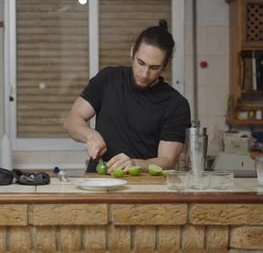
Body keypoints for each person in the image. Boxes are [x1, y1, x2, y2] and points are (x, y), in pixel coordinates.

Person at [63, 20, 191, 174]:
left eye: (154, 67)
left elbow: (167, 161)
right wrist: (90, 135)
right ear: (132, 51)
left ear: (166, 64)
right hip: (98, 183)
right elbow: (72, 121)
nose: (144, 74)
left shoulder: (176, 104)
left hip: (145, 190)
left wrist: (134, 163)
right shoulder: (108, 79)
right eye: (141, 63)